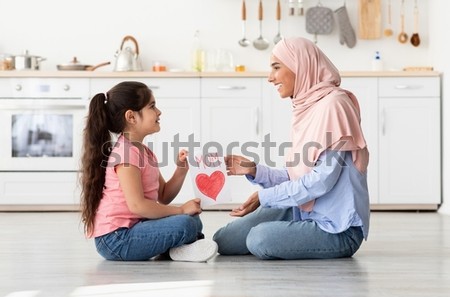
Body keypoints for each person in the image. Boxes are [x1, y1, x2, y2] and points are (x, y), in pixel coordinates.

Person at [213, 37, 370, 260]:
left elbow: (321, 181)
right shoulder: (306, 107)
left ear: (300, 66)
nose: (270, 77)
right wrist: (254, 170)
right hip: (302, 211)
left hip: (336, 229)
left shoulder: (335, 105)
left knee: (258, 239)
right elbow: (298, 176)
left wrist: (264, 196)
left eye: (276, 67)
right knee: (224, 240)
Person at [80, 81, 218, 262]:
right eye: (152, 106)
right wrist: (181, 210)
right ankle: (178, 249)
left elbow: (163, 195)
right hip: (116, 239)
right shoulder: (125, 153)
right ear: (131, 117)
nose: (159, 112)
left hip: (137, 227)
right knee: (185, 222)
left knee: (193, 220)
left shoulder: (144, 152)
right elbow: (137, 206)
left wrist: (181, 169)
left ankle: (177, 249)